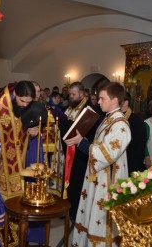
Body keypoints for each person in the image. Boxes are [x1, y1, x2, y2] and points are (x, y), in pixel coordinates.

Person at [66, 82, 131, 247]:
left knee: (102, 221)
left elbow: (106, 154)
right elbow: (99, 145)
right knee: (91, 215)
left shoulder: (121, 125)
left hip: (108, 181)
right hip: (98, 178)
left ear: (115, 100)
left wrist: (82, 143)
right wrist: (82, 141)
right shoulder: (108, 120)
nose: (98, 102)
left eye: (102, 98)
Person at [0, 80, 46, 244]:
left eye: (29, 102)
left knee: (19, 206)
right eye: (22, 101)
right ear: (14, 95)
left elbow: (24, 132)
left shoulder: (28, 107)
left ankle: (18, 239)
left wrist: (32, 132)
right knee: (0, 206)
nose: (25, 105)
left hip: (20, 165)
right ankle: (3, 241)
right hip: (0, 165)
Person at [59, 81, 99, 221]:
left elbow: (86, 131)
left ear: (82, 94)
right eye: (69, 94)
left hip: (81, 155)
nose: (70, 97)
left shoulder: (88, 110)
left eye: (73, 94)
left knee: (77, 184)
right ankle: (66, 209)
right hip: (69, 151)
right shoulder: (70, 108)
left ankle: (75, 212)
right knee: (69, 181)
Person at [121, 92, 147, 174]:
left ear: (126, 102)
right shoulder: (113, 117)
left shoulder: (136, 121)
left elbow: (139, 145)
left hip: (131, 163)